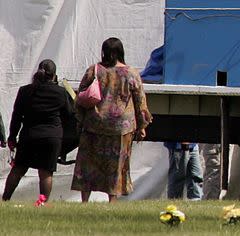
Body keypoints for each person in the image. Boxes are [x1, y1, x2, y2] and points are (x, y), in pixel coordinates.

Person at [71, 37, 152, 202]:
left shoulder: (94, 70)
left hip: (94, 125)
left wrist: (80, 121)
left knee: (88, 164)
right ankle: (112, 200)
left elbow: (80, 98)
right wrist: (142, 125)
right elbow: (140, 101)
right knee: (116, 165)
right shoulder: (131, 73)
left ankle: (85, 200)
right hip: (120, 128)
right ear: (120, 52)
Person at [2, 60, 73, 204]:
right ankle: (42, 203)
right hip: (51, 137)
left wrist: (12, 137)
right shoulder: (60, 92)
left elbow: (17, 117)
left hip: (29, 136)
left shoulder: (24, 91)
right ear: (53, 76)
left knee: (18, 169)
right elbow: (70, 115)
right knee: (46, 172)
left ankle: (5, 199)